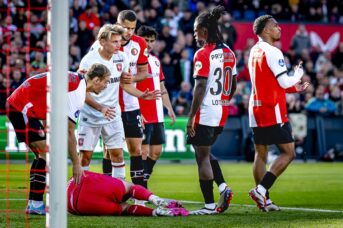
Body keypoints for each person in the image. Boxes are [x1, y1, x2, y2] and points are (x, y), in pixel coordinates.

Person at [6, 63, 111, 215]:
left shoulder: (77, 81)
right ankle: (35, 204)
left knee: (43, 154)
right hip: (21, 106)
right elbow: (69, 132)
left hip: (22, 104)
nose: (106, 86)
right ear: (96, 80)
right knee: (45, 154)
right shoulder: (77, 92)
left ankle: (34, 204)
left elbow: (46, 94)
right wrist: (76, 164)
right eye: (105, 81)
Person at [78, 24, 159, 180]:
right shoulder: (88, 61)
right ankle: (79, 193)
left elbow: (125, 84)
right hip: (90, 114)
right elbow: (81, 91)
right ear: (102, 41)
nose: (119, 45)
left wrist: (142, 95)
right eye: (114, 41)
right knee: (85, 157)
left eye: (119, 41)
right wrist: (100, 107)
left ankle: (117, 194)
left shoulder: (122, 58)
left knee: (118, 155)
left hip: (113, 114)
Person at [247, 15, 310, 212]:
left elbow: (270, 82)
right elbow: (283, 82)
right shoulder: (273, 51)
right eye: (275, 25)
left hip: (255, 107)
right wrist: (297, 74)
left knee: (261, 152)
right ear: (265, 30)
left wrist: (294, 89)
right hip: (272, 109)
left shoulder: (254, 50)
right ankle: (261, 189)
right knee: (289, 152)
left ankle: (263, 199)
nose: (279, 28)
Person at [90, 10, 150, 187]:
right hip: (109, 105)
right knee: (109, 151)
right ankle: (110, 190)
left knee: (136, 149)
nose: (129, 32)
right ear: (117, 24)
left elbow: (143, 73)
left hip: (131, 105)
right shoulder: (103, 43)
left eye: (132, 28)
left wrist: (132, 78)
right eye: (125, 27)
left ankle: (140, 194)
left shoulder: (140, 44)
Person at [186, 6, 236, 215]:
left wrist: (190, 118)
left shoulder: (203, 53)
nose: (195, 34)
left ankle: (208, 206)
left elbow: (200, 87)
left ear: (205, 30)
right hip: (221, 112)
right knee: (204, 152)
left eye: (196, 30)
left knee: (202, 157)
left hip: (205, 112)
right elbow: (233, 85)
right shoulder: (229, 53)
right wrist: (222, 101)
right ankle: (223, 187)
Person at [136, 25, 176, 189]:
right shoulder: (133, 61)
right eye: (146, 40)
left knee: (156, 152)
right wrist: (137, 112)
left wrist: (169, 108)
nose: (150, 44)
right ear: (139, 40)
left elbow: (162, 88)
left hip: (157, 114)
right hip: (142, 113)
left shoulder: (155, 61)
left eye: (152, 41)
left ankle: (141, 184)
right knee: (143, 153)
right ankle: (142, 189)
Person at [67, 171, 189, 217]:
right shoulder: (75, 178)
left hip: (76, 205)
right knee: (130, 187)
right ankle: (154, 198)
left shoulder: (65, 203)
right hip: (84, 181)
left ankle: (155, 212)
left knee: (125, 208)